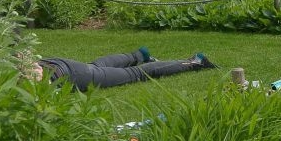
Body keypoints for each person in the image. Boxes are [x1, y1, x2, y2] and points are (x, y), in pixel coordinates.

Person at [31, 47, 215, 91]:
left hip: (68, 75)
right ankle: (139, 55)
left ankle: (195, 62)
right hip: (53, 64)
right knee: (95, 67)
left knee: (135, 74)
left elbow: (39, 79)